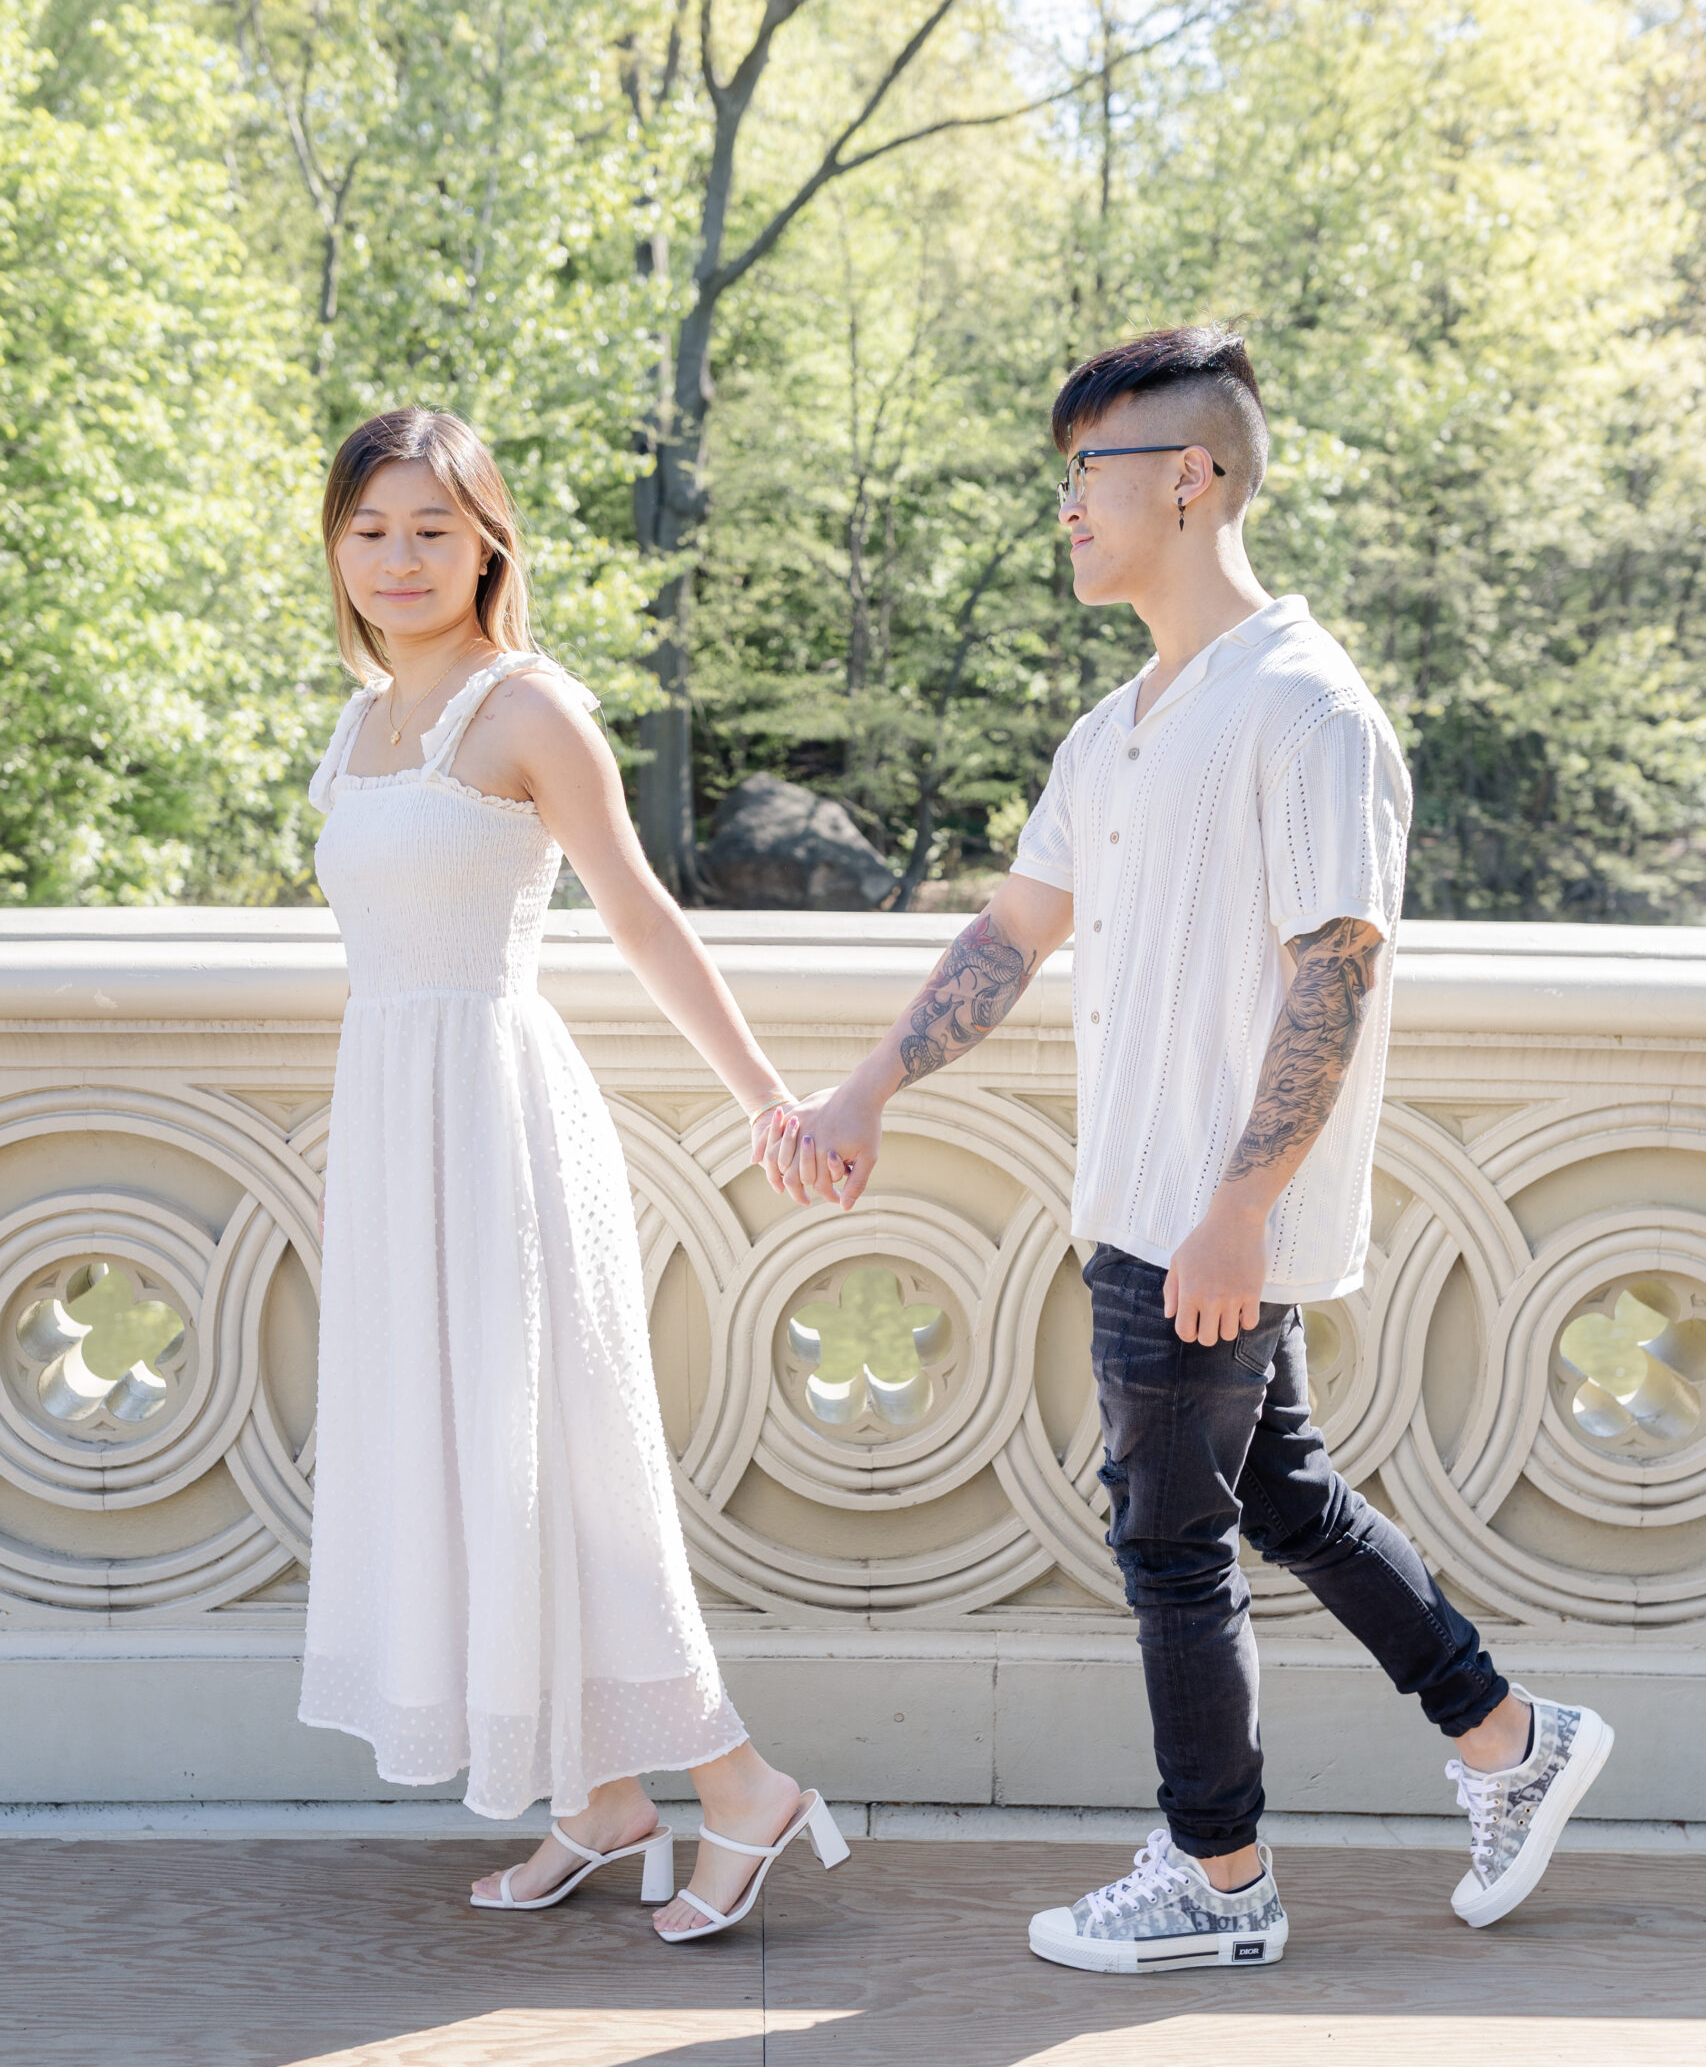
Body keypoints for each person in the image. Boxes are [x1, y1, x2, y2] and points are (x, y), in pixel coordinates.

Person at [762, 326, 1612, 1974]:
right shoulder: (1119, 727)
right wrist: (866, 1088)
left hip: (1201, 1218)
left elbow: (1335, 969)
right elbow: (1013, 932)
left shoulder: (1304, 709)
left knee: (1168, 1544)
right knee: (1284, 1498)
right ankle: (1509, 1739)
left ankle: (1218, 1881)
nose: (1065, 506)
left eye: (1088, 470)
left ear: (1191, 478)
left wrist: (1238, 1211)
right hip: (1141, 1202)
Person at [302, 406, 847, 1943]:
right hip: (397, 1131)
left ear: (488, 543)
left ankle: (738, 1784)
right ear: (334, 548)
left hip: (498, 1126)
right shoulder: (360, 722)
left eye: (431, 529)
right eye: (369, 530)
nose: (399, 559)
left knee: (563, 1466)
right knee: (473, 1467)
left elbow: (641, 914)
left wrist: (765, 1098)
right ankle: (600, 1803)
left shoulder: (526, 707)